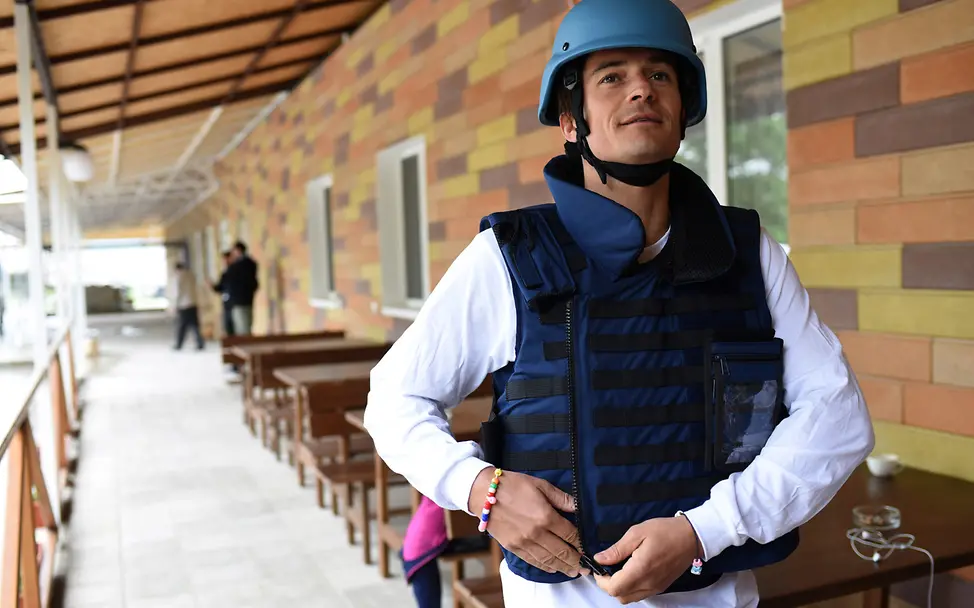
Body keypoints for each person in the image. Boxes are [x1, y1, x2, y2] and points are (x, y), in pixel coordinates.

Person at [363, 1, 875, 606]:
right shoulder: (510, 256)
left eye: (660, 74)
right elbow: (394, 401)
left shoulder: (749, 252)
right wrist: (479, 488)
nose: (641, 90)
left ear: (683, 110)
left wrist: (704, 529)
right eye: (612, 77)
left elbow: (838, 416)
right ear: (570, 120)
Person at [222, 241, 259, 335]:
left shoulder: (237, 266)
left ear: (238, 251)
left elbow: (230, 282)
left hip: (238, 301)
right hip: (247, 299)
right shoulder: (251, 263)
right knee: (246, 325)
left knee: (242, 329)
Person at [169, 262, 204, 351]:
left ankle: (179, 344)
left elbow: (177, 292)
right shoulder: (191, 275)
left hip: (183, 305)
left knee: (182, 326)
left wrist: (175, 305)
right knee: (195, 325)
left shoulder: (178, 277)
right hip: (193, 303)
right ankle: (200, 343)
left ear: (177, 269)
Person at [211, 250, 236, 338]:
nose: (224, 262)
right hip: (226, 303)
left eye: (226, 259)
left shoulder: (236, 272)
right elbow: (220, 288)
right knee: (228, 326)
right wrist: (212, 286)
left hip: (235, 303)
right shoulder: (225, 274)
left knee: (236, 326)